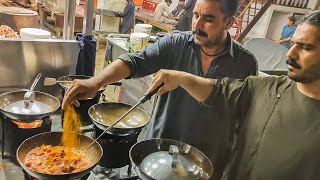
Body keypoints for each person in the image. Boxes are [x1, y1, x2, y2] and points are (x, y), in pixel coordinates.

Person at [62, 0, 257, 179]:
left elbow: (244, 118)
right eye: (196, 15)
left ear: (229, 23)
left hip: (206, 163)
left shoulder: (244, 64)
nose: (197, 24)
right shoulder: (176, 44)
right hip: (158, 154)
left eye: (208, 19)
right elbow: (134, 62)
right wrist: (95, 83)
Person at [147, 11, 320, 180]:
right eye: (293, 44)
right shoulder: (269, 87)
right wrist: (183, 78)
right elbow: (220, 92)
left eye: (305, 47)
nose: (290, 53)